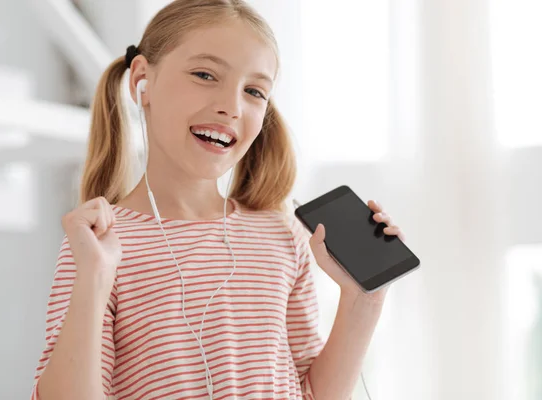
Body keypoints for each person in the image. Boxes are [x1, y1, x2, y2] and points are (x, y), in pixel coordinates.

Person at [31, 1, 406, 399]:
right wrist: (95, 278)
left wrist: (363, 299)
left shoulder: (282, 236)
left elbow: (312, 393)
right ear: (142, 80)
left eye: (254, 91)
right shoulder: (99, 245)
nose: (232, 106)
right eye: (205, 75)